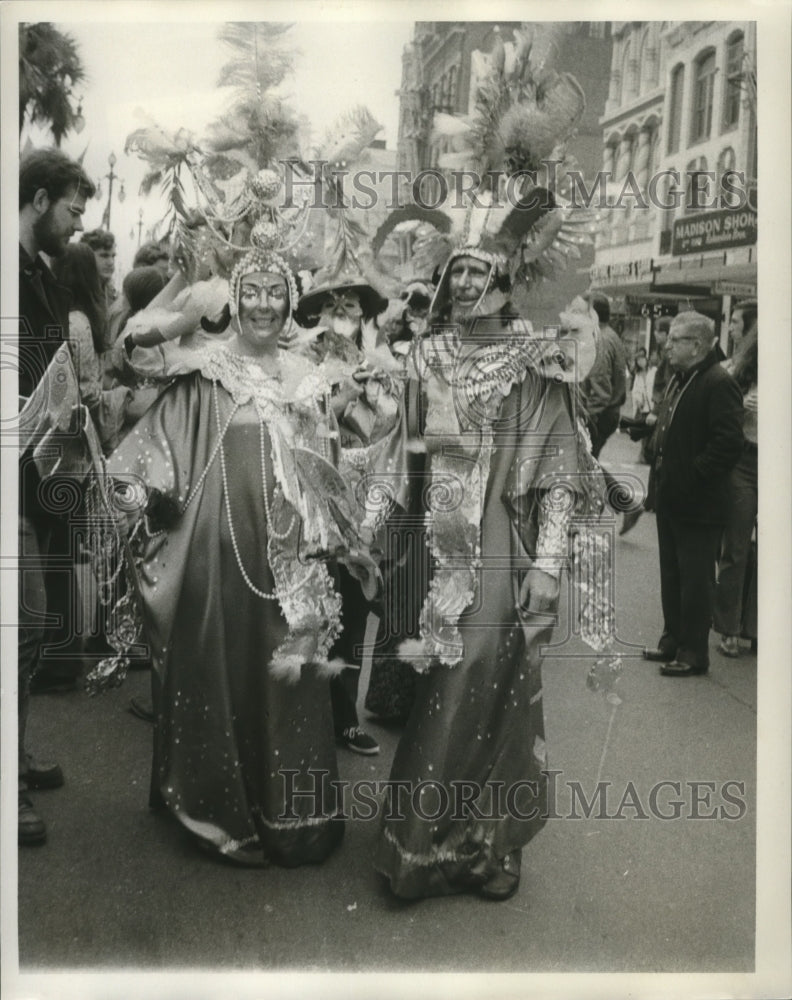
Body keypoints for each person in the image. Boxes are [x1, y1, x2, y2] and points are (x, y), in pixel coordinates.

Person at [98, 245, 372, 866]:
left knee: (289, 669)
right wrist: (181, 291)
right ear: (235, 299)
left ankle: (294, 816)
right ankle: (224, 813)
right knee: (223, 669)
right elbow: (135, 357)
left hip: (293, 560)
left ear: (290, 301)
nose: (264, 304)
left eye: (276, 291)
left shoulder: (311, 378)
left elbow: (332, 461)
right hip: (219, 558)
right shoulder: (206, 370)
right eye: (252, 290)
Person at [375, 192, 609, 901]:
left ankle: (474, 843)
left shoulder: (538, 360)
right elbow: (403, 452)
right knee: (432, 685)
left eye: (483, 274)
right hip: (429, 548)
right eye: (460, 274)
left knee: (481, 677)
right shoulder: (428, 355)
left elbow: (561, 469)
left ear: (508, 281)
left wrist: (547, 565)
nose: (469, 286)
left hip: (500, 547)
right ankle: (432, 834)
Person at [18, 147, 96, 844]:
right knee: (24, 626)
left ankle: (13, 757)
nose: (77, 224)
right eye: (72, 208)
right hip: (11, 478)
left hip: (38, 479)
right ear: (39, 199)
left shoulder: (43, 275)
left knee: (30, 631)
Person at [297, 269, 403, 756]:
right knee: (308, 614)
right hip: (307, 509)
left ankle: (344, 717)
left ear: (364, 313)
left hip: (361, 511)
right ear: (317, 310)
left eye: (351, 305)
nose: (341, 314)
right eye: (332, 304)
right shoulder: (298, 360)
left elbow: (391, 435)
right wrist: (334, 401)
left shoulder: (378, 366)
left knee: (354, 616)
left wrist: (376, 395)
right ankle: (301, 715)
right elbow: (291, 428)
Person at [642, 311, 744, 677]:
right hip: (674, 498)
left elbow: (729, 442)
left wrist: (693, 475)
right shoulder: (682, 378)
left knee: (696, 580)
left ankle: (693, 652)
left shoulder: (718, 382)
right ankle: (673, 640)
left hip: (698, 503)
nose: (667, 345)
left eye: (676, 340)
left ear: (698, 345)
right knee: (672, 575)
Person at [51, 243, 132, 453]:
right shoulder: (80, 322)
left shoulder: (55, 313)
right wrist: (120, 397)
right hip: (75, 435)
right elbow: (88, 394)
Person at [713, 301, 758, 656]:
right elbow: (722, 411)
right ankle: (728, 627)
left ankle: (754, 628)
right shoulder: (738, 368)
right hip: (744, 460)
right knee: (737, 546)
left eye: (736, 322)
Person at [580, 292, 627, 458]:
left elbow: (600, 390)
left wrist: (586, 419)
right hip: (608, 413)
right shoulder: (611, 335)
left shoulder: (600, 340)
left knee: (585, 465)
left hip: (599, 415)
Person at [80, 229, 118, 319]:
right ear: (86, 256)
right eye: (104, 256)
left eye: (113, 256)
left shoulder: (112, 294)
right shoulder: (79, 293)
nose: (111, 262)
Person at [630, 349, 656, 420]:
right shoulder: (637, 376)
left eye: (642, 359)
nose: (640, 361)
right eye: (638, 360)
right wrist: (638, 401)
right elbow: (635, 391)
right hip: (643, 409)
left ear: (646, 359)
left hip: (654, 407)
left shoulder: (654, 371)